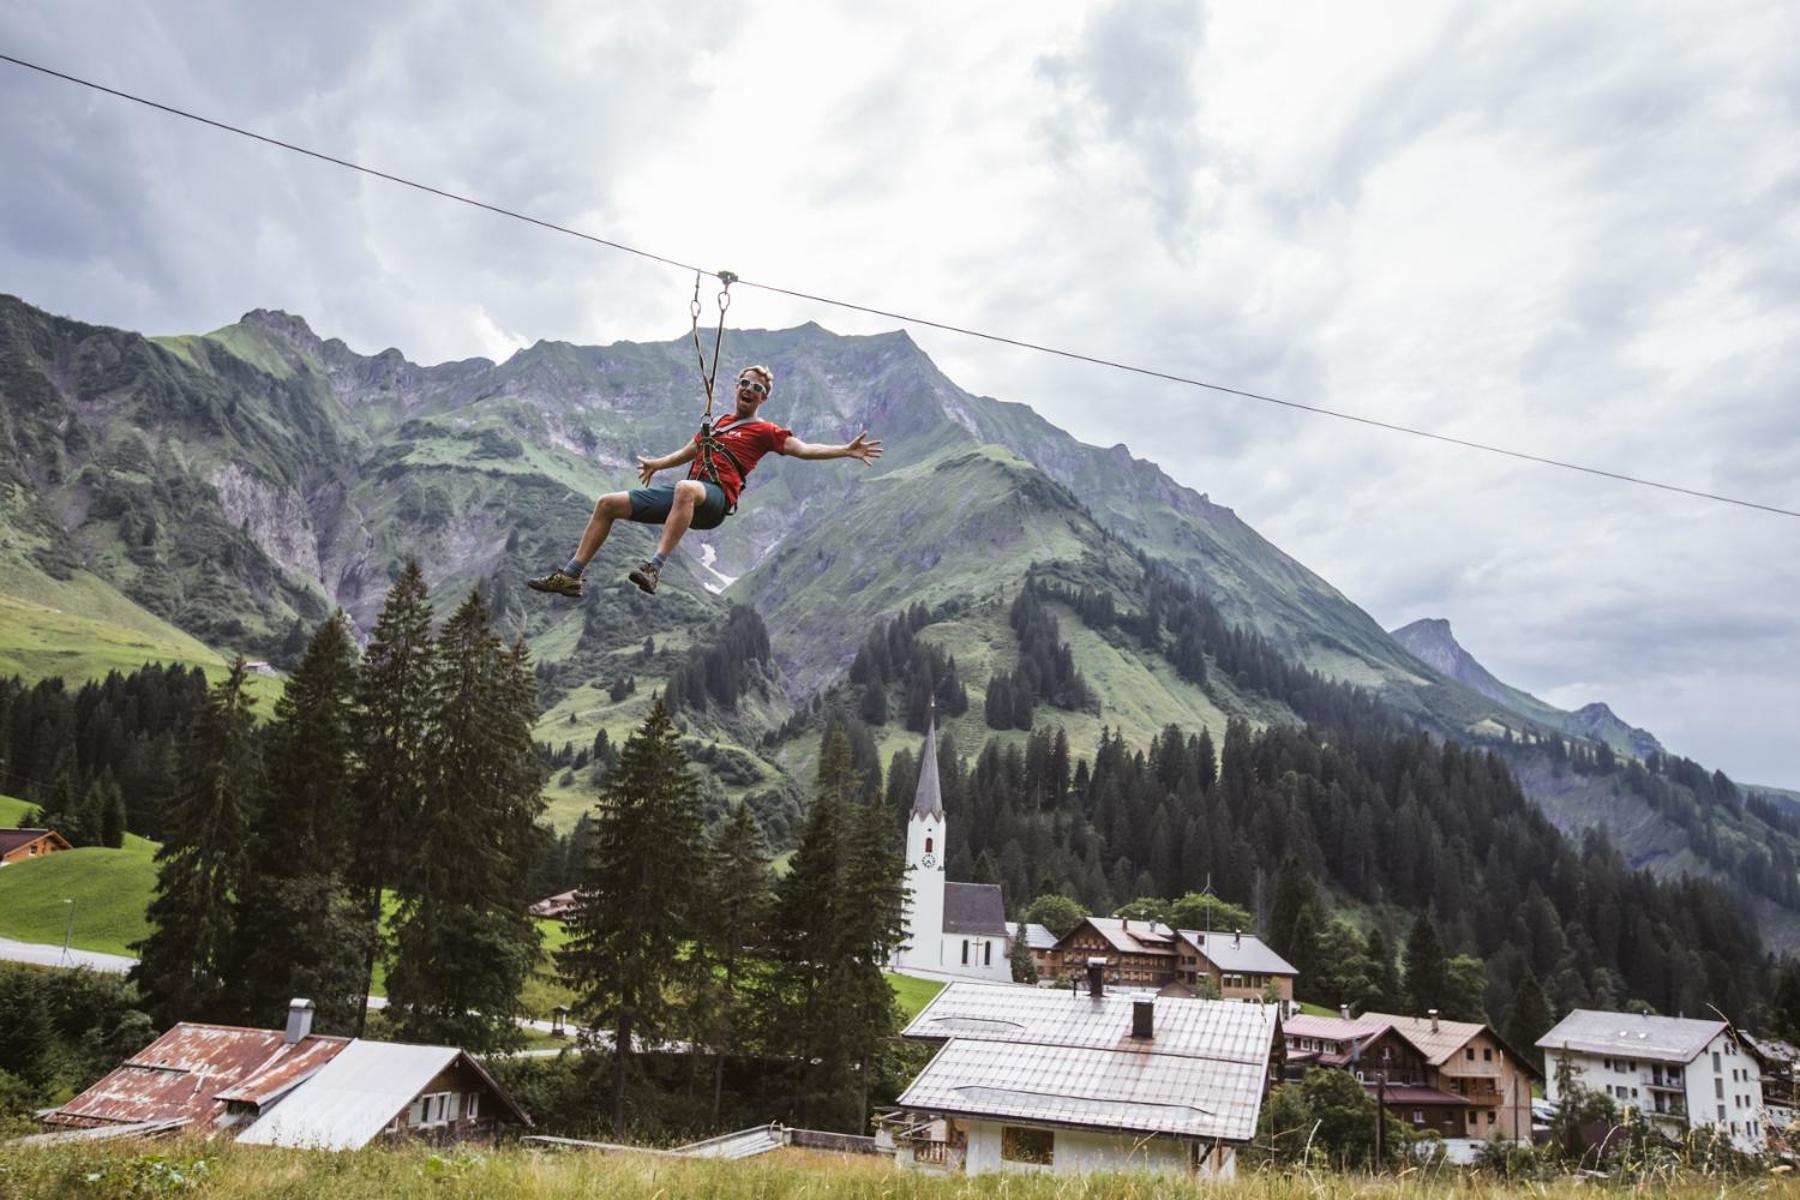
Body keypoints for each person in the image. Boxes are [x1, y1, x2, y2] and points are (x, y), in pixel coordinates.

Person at [527, 365, 881, 598]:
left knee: (685, 488)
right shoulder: (719, 423)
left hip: (714, 500)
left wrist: (844, 450)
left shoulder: (765, 431)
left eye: (757, 387)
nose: (749, 389)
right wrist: (656, 463)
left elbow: (802, 449)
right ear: (736, 387)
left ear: (763, 398)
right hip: (687, 495)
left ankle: (655, 567)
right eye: (744, 383)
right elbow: (690, 450)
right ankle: (571, 575)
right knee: (607, 503)